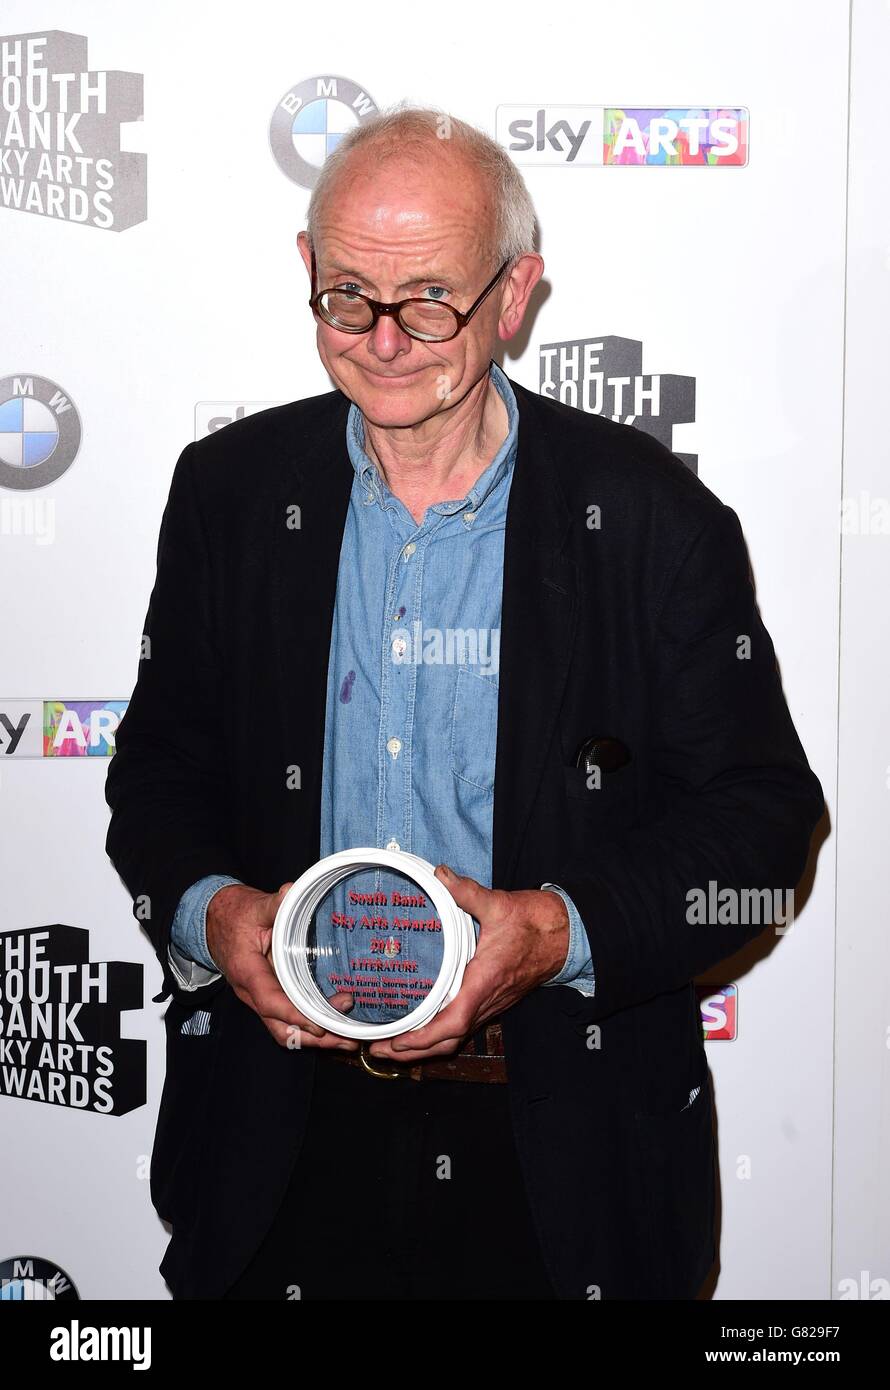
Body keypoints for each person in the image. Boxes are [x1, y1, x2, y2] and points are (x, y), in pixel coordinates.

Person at [104, 104, 824, 1301]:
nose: (384, 340)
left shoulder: (649, 520)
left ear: (515, 292)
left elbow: (757, 820)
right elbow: (159, 770)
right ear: (306, 272)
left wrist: (550, 932)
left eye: (429, 298)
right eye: (347, 297)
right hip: (279, 1150)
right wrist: (211, 913)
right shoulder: (227, 494)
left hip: (561, 1161)